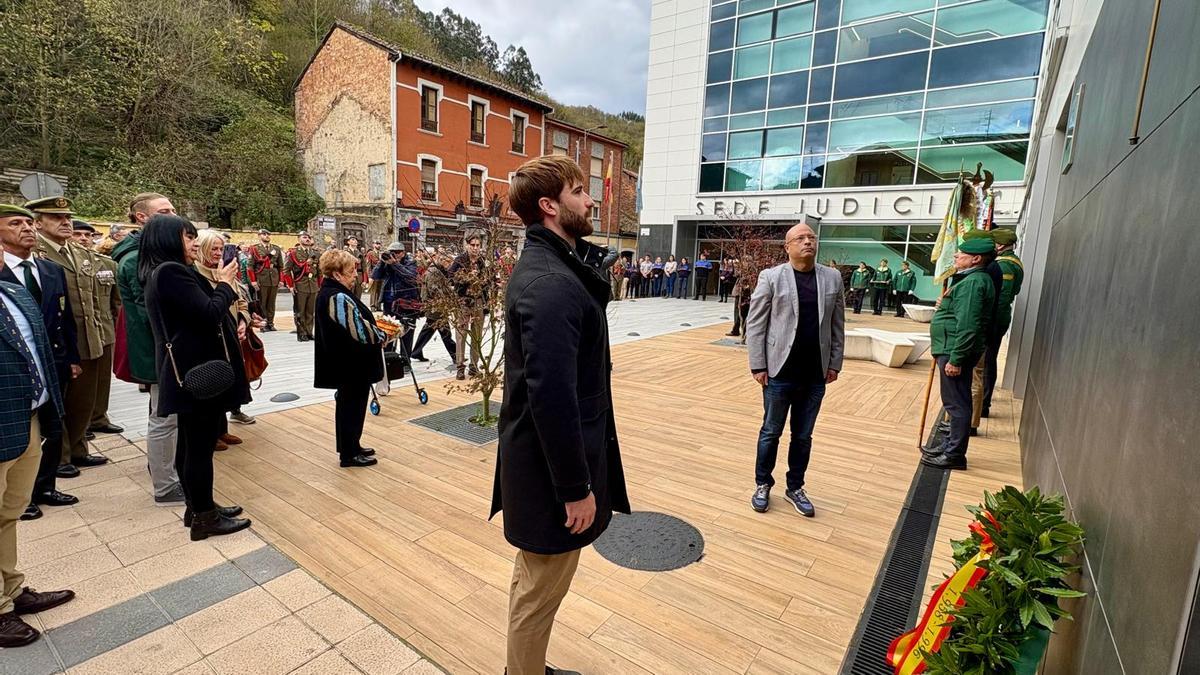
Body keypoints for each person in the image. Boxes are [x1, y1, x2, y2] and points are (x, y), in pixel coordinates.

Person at [495, 155, 630, 675]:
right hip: (550, 473)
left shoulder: (558, 269)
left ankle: (526, 666)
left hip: (544, 464)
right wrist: (575, 489)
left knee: (536, 579)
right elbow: (551, 397)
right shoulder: (550, 283)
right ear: (549, 206)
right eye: (578, 191)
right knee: (540, 589)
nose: (590, 200)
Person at [141, 214, 250, 539]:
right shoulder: (170, 272)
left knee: (190, 444)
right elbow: (208, 313)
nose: (193, 243)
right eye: (188, 237)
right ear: (168, 240)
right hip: (197, 373)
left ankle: (199, 506)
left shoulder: (164, 271)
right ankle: (205, 517)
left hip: (190, 370)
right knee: (198, 448)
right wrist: (225, 285)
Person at [0, 247, 77, 647]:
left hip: (28, 417)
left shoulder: (14, 292)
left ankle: (11, 588)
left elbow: (41, 350)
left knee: (9, 512)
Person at [745, 222, 845, 517]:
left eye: (811, 237)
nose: (808, 241)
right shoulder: (771, 277)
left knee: (803, 436)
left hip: (815, 374)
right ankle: (763, 484)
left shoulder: (832, 277)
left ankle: (795, 487)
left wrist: (834, 363)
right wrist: (758, 364)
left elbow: (838, 324)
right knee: (770, 432)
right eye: (800, 238)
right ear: (787, 247)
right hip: (779, 372)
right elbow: (756, 323)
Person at [0, 205, 80, 520]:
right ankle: (21, 496)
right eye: (15, 223)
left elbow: (66, 316)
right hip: (15, 370)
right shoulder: (3, 274)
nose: (27, 228)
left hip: (52, 361)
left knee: (53, 426)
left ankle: (45, 486)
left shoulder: (50, 270)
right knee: (20, 432)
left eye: (28, 222)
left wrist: (72, 357)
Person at [28, 196, 109, 477]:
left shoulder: (79, 252)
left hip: (88, 335)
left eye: (67, 218)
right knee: (59, 402)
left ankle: (78, 448)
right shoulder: (34, 254)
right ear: (38, 223)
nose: (66, 222)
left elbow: (93, 298)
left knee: (83, 401)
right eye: (56, 218)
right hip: (57, 340)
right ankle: (59, 457)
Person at [116, 194, 185, 504]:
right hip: (159, 350)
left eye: (173, 209)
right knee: (163, 416)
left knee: (166, 414)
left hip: (165, 348)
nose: (173, 215)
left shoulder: (151, 253)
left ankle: (165, 468)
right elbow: (150, 313)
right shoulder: (136, 259)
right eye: (164, 211)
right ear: (142, 217)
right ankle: (165, 484)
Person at [921, 235, 997, 471]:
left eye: (961, 253)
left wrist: (956, 359)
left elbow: (968, 325)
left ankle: (954, 454)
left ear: (975, 259)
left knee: (957, 403)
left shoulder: (973, 283)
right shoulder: (970, 279)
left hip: (955, 349)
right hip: (951, 346)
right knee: (955, 401)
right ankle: (949, 446)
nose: (955, 255)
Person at [314, 249, 384, 468]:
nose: (355, 274)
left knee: (354, 405)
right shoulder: (336, 296)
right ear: (337, 274)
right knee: (350, 407)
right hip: (349, 364)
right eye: (351, 271)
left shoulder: (332, 291)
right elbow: (359, 331)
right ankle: (348, 454)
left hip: (348, 363)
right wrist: (383, 334)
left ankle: (353, 445)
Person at [194, 230, 256, 449]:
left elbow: (241, 302)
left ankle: (222, 429)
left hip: (230, 337)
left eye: (221, 249)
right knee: (212, 385)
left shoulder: (226, 272)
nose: (218, 253)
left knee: (227, 383)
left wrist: (243, 321)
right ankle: (210, 435)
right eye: (213, 249)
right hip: (210, 339)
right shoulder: (196, 275)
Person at [981, 229, 1024, 418]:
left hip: (995, 319)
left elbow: (1002, 296)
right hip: (999, 318)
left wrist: (988, 322)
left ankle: (983, 403)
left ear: (1000, 245)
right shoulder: (1012, 262)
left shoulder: (1005, 265)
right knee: (988, 359)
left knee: (987, 360)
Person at [85, 221, 121, 440]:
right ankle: (81, 424)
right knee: (81, 382)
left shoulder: (106, 264)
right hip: (79, 331)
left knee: (102, 378)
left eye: (87, 235)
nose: (83, 239)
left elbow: (116, 301)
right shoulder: (55, 263)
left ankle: (99, 417)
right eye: (78, 234)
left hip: (105, 328)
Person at [374, 243, 421, 357]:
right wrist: (382, 262)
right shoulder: (386, 264)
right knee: (388, 332)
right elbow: (375, 276)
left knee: (406, 336)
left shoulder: (411, 262)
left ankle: (405, 360)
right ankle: (389, 359)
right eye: (391, 252)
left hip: (406, 304)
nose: (393, 255)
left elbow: (410, 276)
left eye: (396, 252)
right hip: (389, 304)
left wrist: (395, 264)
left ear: (403, 253)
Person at [448, 235, 485, 380]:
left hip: (478, 300)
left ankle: (474, 366)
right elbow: (450, 277)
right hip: (463, 300)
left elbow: (488, 280)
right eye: (473, 245)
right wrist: (466, 277)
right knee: (461, 334)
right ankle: (460, 367)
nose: (475, 248)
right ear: (467, 245)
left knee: (477, 335)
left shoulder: (482, 261)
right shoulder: (460, 260)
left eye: (477, 245)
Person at [410, 251, 458, 362]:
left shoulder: (437, 270)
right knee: (445, 332)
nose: (449, 265)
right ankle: (456, 355)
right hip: (435, 306)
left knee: (429, 330)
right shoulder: (434, 271)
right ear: (442, 260)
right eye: (448, 262)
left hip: (435, 306)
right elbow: (434, 290)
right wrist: (446, 299)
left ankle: (416, 352)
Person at [285, 231, 321, 342]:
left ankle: (309, 332)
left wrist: (319, 285)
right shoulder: (293, 253)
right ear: (299, 239)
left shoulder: (315, 253)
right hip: (300, 283)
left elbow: (319, 271)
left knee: (310, 311)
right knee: (300, 311)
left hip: (313, 284)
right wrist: (290, 285)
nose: (307, 239)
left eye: (308, 237)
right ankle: (302, 333)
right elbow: (286, 270)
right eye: (304, 237)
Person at [251, 229, 284, 332]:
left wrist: (281, 280)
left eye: (268, 234)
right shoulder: (255, 248)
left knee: (271, 303)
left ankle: (270, 323)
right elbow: (250, 266)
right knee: (262, 302)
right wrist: (253, 280)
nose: (267, 236)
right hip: (262, 277)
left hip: (273, 278)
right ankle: (263, 324)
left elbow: (280, 266)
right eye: (264, 234)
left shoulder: (276, 248)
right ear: (259, 236)